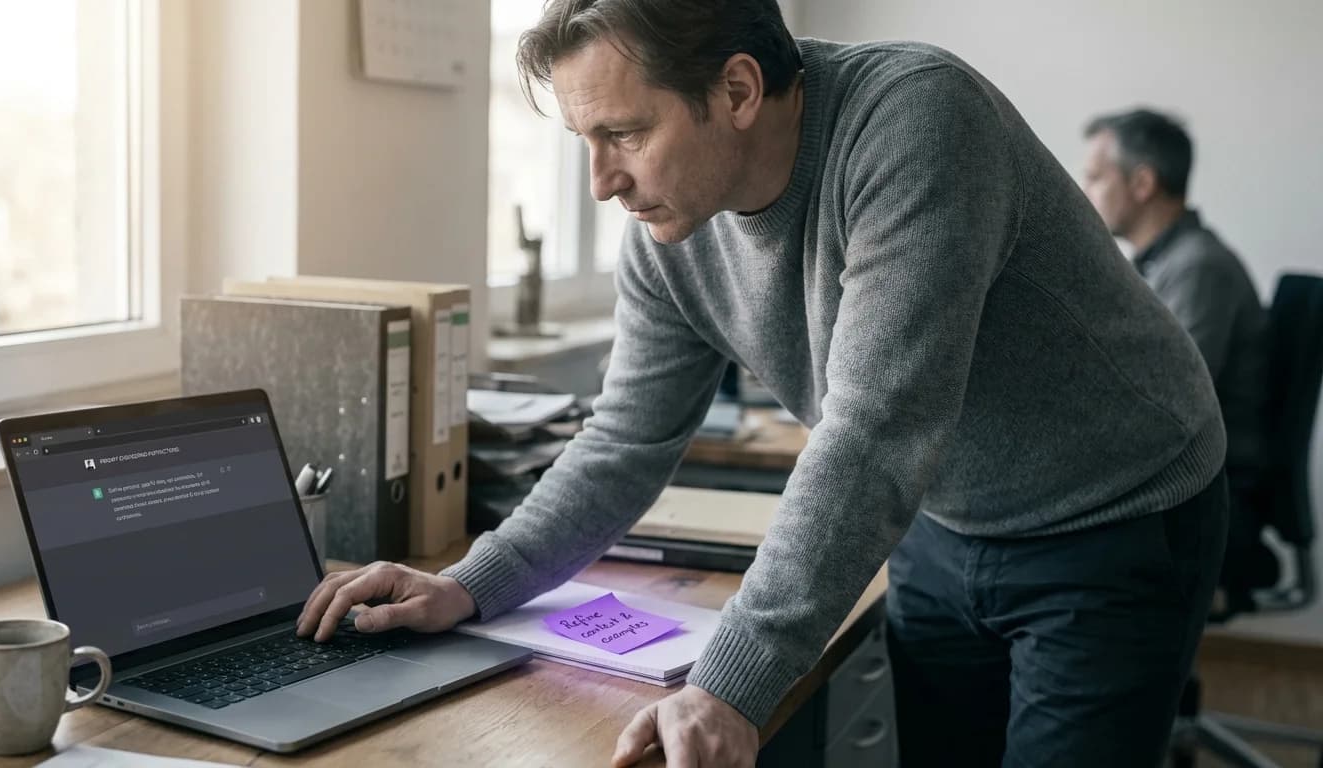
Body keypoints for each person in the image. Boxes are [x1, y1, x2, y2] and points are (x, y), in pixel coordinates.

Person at [298, 2, 1229, 766]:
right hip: (946, 519)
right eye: (586, 138)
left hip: (1114, 515)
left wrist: (732, 681)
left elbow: (874, 430)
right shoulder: (671, 223)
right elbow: (626, 436)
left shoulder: (918, 122)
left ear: (737, 89)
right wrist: (470, 584)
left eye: (623, 132)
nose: (601, 183)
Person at [1083, 109, 1273, 616]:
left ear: (1142, 183)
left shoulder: (1196, 269)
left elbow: (1165, 406)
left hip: (1208, 500)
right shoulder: (1161, 265)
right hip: (1186, 486)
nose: (1085, 191)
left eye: (1097, 177)